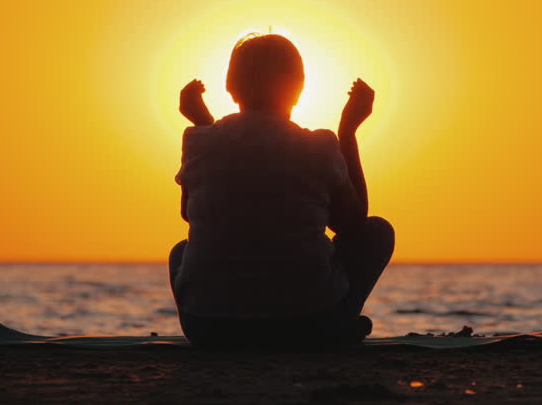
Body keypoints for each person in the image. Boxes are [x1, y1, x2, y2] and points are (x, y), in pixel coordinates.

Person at [169, 33, 394, 347]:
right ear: (299, 88)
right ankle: (339, 324)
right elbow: (353, 226)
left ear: (231, 87)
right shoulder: (320, 145)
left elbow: (189, 212)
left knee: (180, 252)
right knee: (377, 232)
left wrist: (203, 123)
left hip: (208, 329)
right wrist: (348, 132)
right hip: (307, 324)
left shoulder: (197, 139)